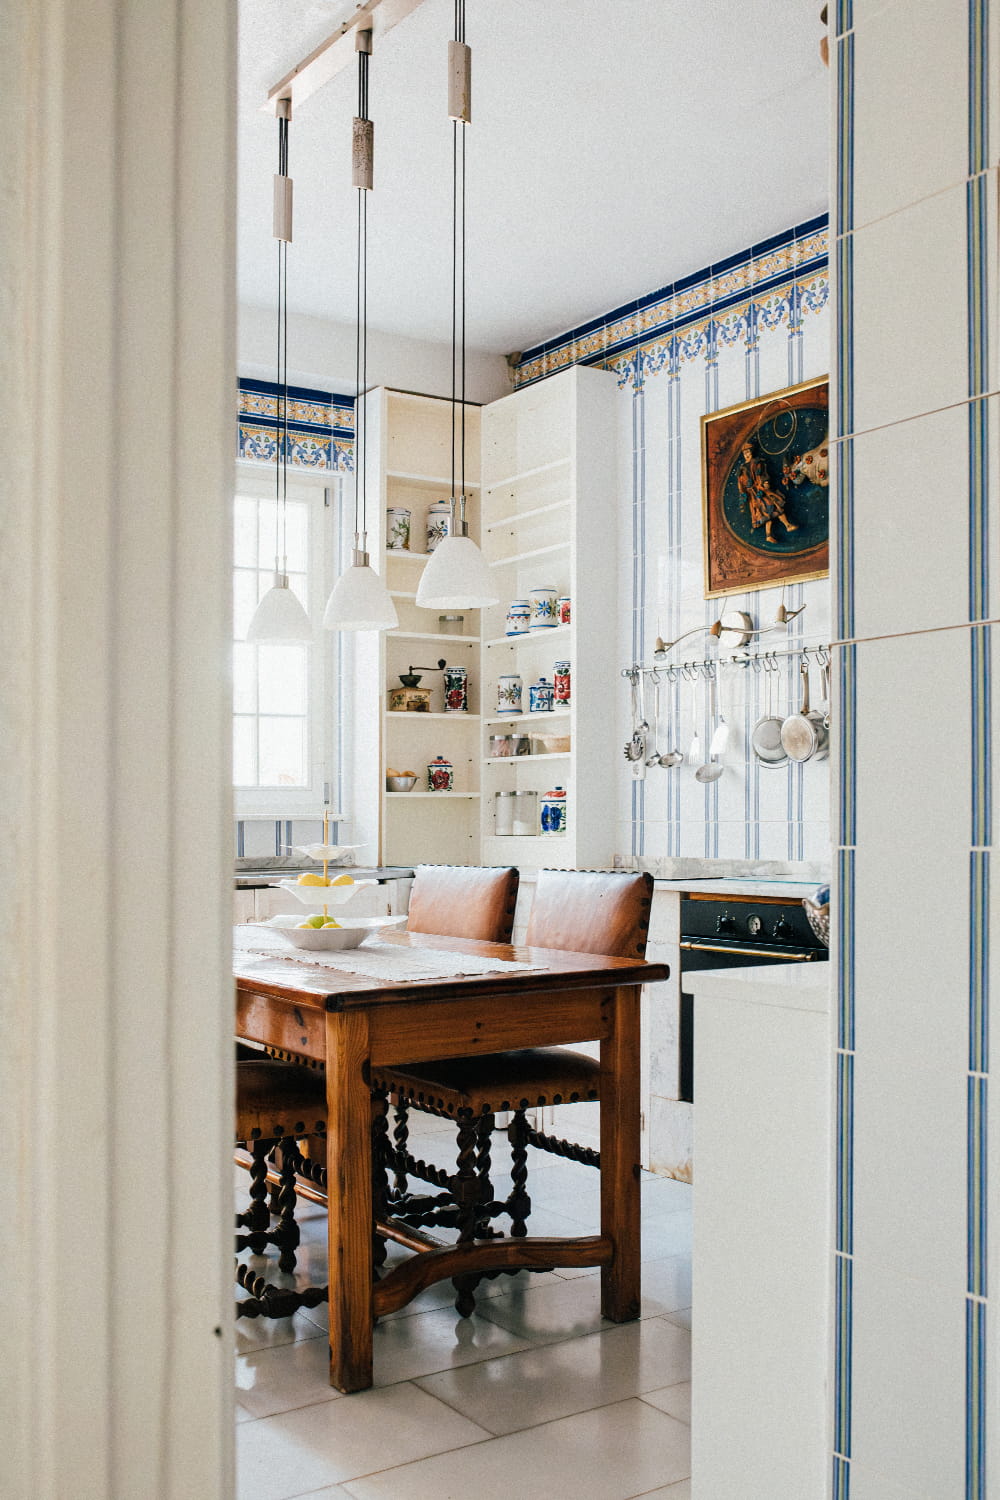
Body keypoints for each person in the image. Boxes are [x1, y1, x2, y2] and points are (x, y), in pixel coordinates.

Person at [736, 440, 799, 543]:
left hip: (762, 490)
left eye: (748, 452)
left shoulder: (757, 462)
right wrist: (743, 494)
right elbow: (740, 484)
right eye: (744, 453)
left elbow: (762, 473)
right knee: (766, 512)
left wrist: (765, 482)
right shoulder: (742, 469)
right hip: (753, 495)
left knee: (775, 507)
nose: (746, 455)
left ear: (752, 452)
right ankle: (770, 534)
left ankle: (786, 525)